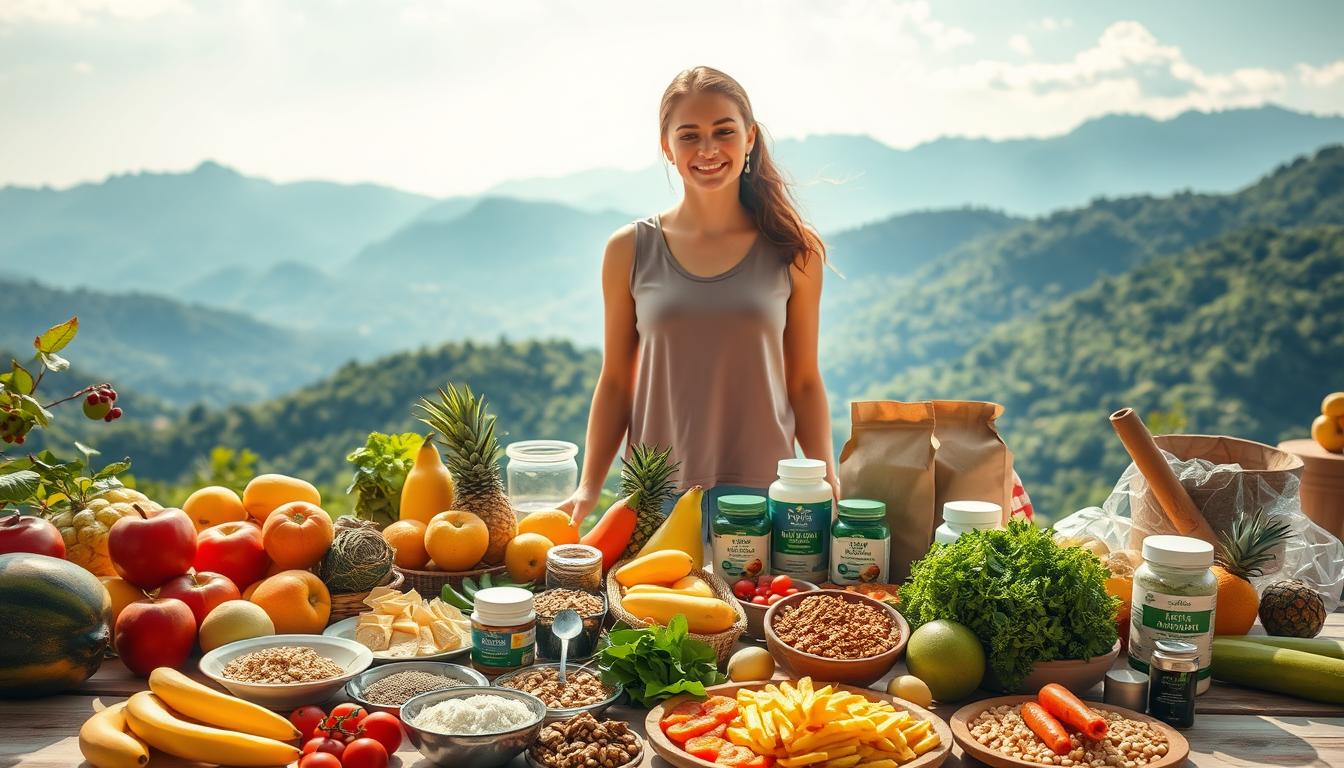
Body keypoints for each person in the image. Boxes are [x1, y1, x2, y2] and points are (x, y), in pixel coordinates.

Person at [560, 66, 837, 529]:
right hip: (655, 493)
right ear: (667, 148)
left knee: (759, 605)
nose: (707, 150)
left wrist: (827, 476)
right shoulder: (628, 248)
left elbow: (804, 380)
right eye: (689, 136)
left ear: (749, 138)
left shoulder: (795, 249)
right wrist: (590, 485)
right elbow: (615, 380)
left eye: (723, 131)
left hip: (764, 494)